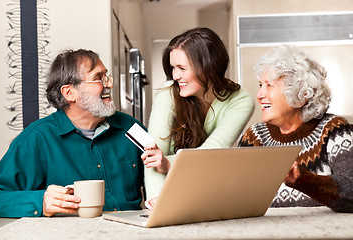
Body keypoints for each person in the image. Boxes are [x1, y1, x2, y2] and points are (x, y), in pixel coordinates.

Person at [0, 49, 145, 217]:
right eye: (98, 78)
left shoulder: (130, 126)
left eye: (106, 77)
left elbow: (165, 178)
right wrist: (40, 201)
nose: (109, 84)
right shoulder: (36, 139)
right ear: (69, 93)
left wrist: (164, 166)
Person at [142, 27, 255, 207]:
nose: (175, 76)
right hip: (171, 192)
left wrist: (168, 163)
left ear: (209, 67)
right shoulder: (167, 95)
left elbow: (210, 154)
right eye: (172, 68)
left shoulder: (241, 101)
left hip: (211, 193)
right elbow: (152, 156)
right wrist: (156, 201)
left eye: (182, 68)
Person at [238, 45, 353, 212]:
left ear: (301, 95)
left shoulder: (335, 130)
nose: (259, 94)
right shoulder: (254, 137)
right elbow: (236, 196)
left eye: (269, 85)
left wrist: (305, 180)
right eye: (260, 85)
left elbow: (351, 191)